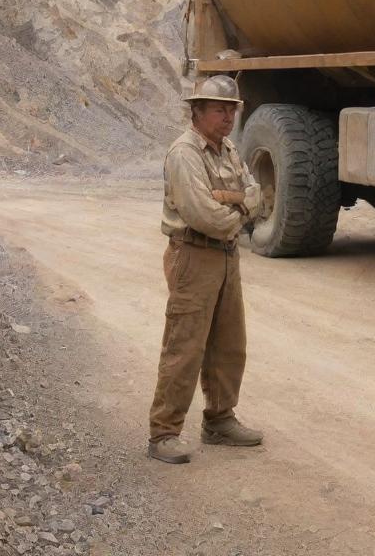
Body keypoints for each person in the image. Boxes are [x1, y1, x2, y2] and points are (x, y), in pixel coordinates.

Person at [147, 75, 264, 464]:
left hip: (227, 256)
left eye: (232, 109)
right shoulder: (184, 153)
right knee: (185, 346)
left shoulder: (227, 149)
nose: (228, 117)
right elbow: (204, 216)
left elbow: (258, 195)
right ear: (196, 111)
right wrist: (240, 208)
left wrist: (233, 201)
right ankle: (164, 432)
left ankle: (219, 419)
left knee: (229, 344)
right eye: (219, 109)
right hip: (194, 256)